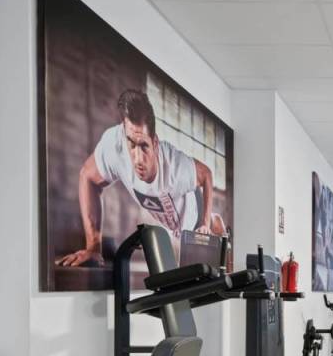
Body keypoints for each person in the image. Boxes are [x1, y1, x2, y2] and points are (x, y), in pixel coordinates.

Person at [57, 89, 225, 267]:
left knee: (211, 229)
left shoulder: (175, 165)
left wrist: (205, 223)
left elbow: (206, 174)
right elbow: (88, 176)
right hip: (173, 225)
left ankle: (214, 222)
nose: (137, 159)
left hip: (193, 207)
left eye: (144, 146)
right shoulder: (114, 145)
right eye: (131, 144)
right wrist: (93, 248)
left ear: (155, 143)